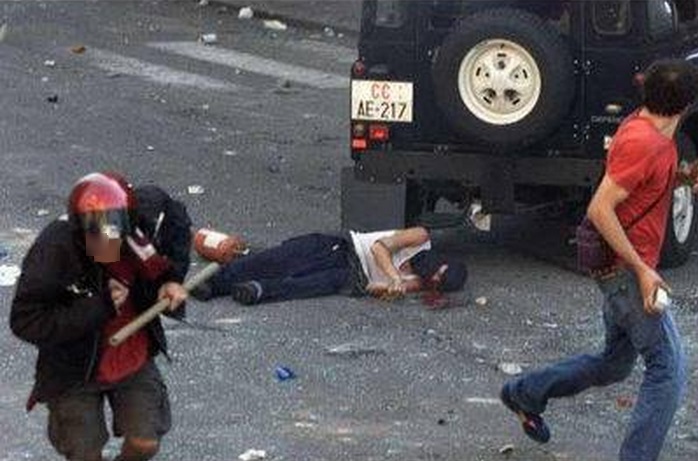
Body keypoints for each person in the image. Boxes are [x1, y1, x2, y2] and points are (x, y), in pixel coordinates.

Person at [500, 59, 698, 461]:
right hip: (627, 273)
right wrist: (643, 270)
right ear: (686, 104)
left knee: (614, 365)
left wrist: (683, 177)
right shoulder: (646, 142)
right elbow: (601, 208)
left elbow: (643, 183)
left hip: (619, 271)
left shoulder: (646, 129)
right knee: (668, 370)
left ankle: (525, 393)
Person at [10, 172, 192, 461]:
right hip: (75, 367)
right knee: (85, 453)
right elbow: (26, 320)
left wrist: (172, 280)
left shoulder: (141, 220)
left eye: (114, 237)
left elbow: (176, 222)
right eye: (97, 238)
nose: (107, 247)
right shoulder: (54, 249)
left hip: (132, 355)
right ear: (79, 230)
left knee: (145, 442)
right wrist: (99, 307)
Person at [192, 227, 467, 305]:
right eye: (437, 271)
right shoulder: (420, 238)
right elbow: (380, 247)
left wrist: (387, 290)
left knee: (309, 283)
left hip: (352, 276)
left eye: (436, 280)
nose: (431, 277)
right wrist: (395, 276)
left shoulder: (420, 281)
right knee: (278, 259)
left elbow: (373, 287)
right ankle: (215, 283)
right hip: (344, 246)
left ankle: (257, 291)